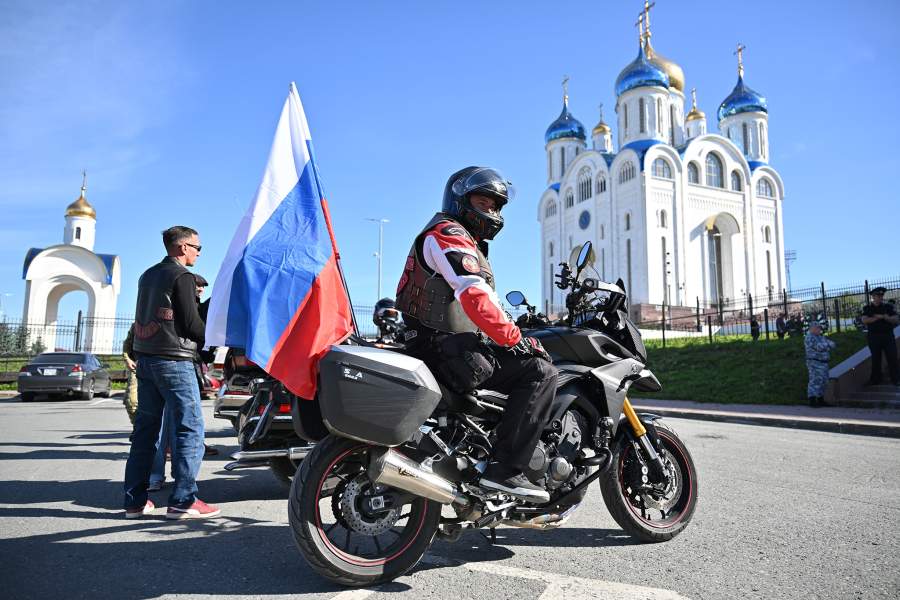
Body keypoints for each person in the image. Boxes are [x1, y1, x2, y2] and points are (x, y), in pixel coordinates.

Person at [396, 166, 557, 502]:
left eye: (497, 206)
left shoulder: (457, 238)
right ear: (459, 199)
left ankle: (481, 452)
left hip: (435, 345)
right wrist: (515, 338)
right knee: (541, 372)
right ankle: (506, 472)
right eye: (484, 202)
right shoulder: (449, 234)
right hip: (443, 348)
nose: (492, 212)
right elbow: (474, 296)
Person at [123, 226, 219, 519]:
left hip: (147, 361)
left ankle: (134, 501)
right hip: (175, 361)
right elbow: (191, 325)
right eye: (197, 248)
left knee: (145, 432)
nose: (199, 253)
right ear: (182, 247)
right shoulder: (183, 276)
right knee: (189, 428)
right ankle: (184, 499)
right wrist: (216, 337)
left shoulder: (147, 275)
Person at [861, 287, 900, 386]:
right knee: (876, 359)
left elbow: (896, 319)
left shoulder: (888, 307)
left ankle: (895, 379)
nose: (880, 297)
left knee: (892, 357)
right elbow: (865, 320)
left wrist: (885, 317)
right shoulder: (868, 308)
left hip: (888, 336)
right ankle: (875, 379)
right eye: (878, 295)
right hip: (874, 337)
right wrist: (877, 318)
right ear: (873, 296)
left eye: (881, 295)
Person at [804, 321, 835, 407]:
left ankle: (821, 399)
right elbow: (819, 347)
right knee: (815, 381)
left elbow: (833, 344)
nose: (819, 329)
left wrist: (826, 345)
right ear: (812, 328)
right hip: (814, 362)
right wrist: (827, 345)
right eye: (817, 328)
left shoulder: (821, 337)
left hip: (824, 363)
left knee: (823, 381)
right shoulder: (809, 337)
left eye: (819, 328)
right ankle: (812, 400)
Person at [122, 324, 139, 426]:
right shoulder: (137, 325)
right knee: (131, 401)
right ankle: (137, 429)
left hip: (162, 366)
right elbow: (127, 345)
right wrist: (127, 358)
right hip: (137, 367)